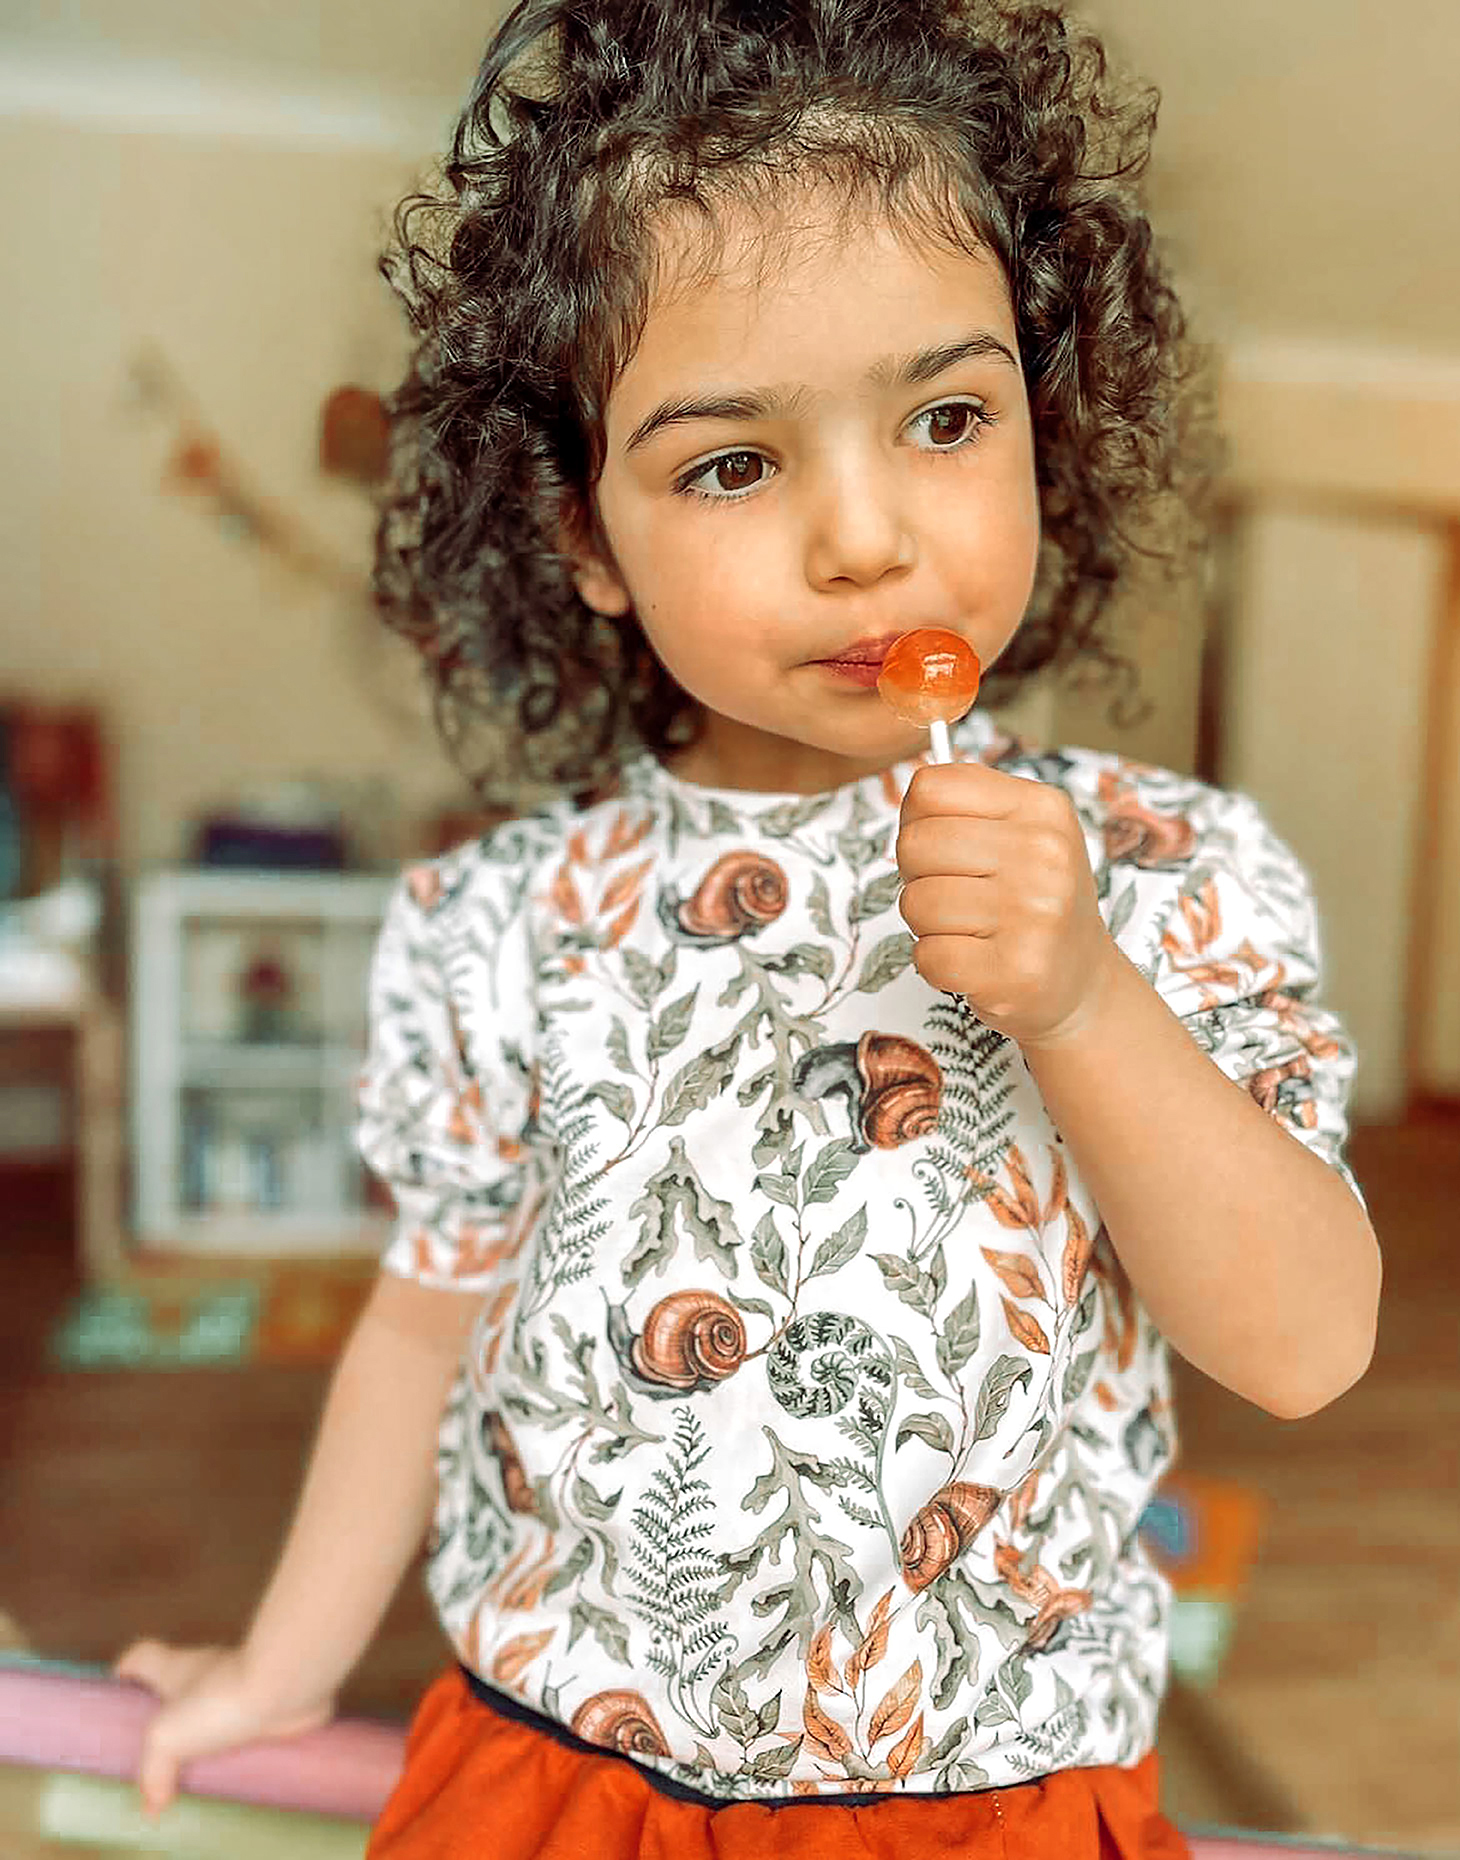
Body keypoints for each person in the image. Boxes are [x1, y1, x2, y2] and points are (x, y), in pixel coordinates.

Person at [114, 1, 1383, 1852]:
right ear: (587, 540)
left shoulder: (1166, 871)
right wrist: (280, 1671)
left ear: (1046, 427)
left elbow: (1305, 1346)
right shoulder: (502, 922)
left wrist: (1087, 1002)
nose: (865, 538)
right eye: (733, 462)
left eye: (946, 419)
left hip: (987, 1811)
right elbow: (416, 1339)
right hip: (549, 1786)